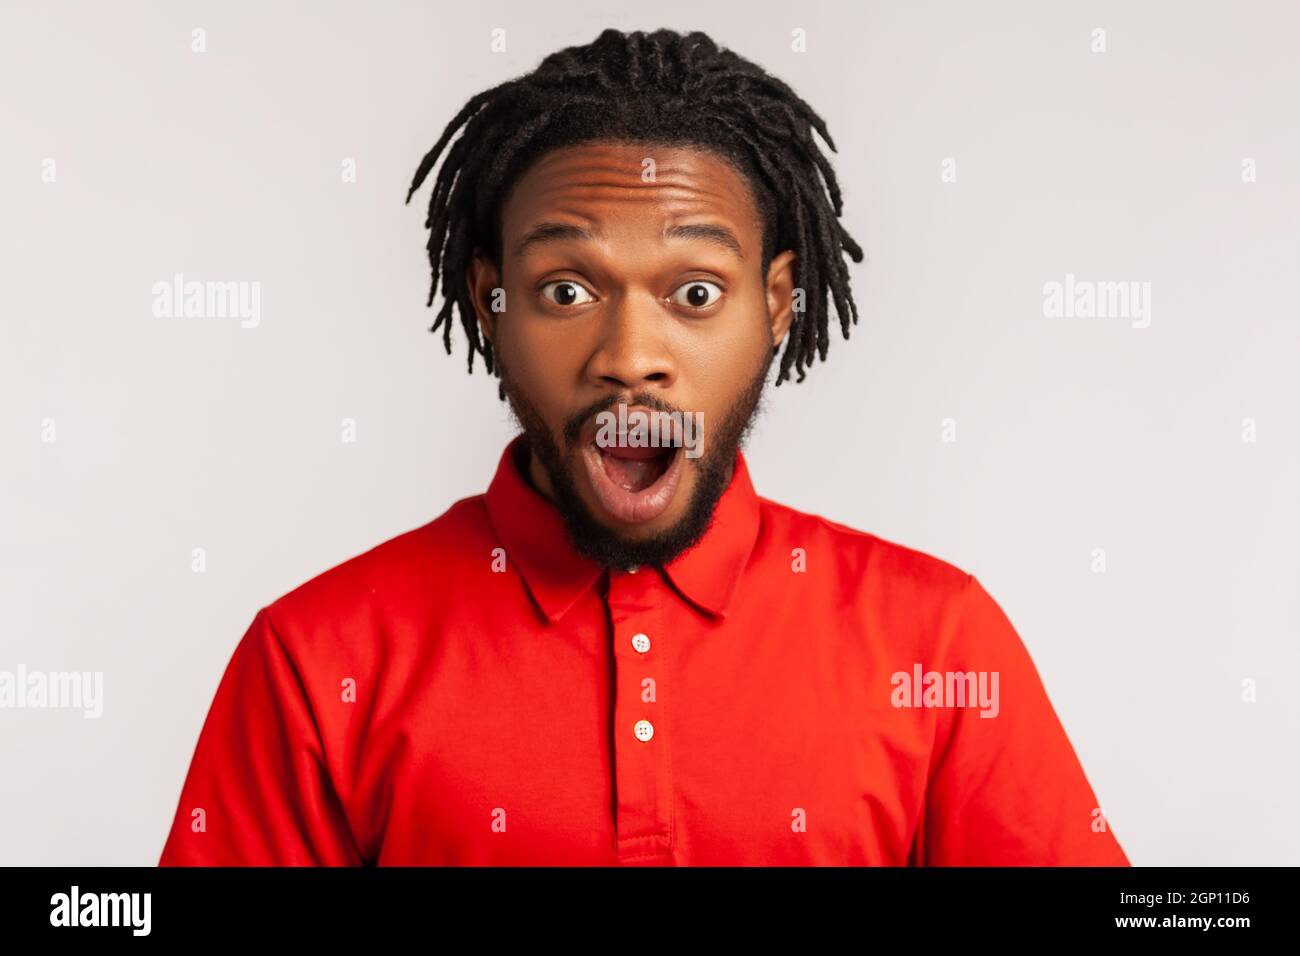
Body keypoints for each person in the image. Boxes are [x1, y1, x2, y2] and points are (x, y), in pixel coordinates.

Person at [159, 28, 1129, 866]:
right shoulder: (316, 657)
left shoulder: (935, 641)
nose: (630, 358)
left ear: (778, 304)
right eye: (566, 290)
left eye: (695, 292)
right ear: (487, 303)